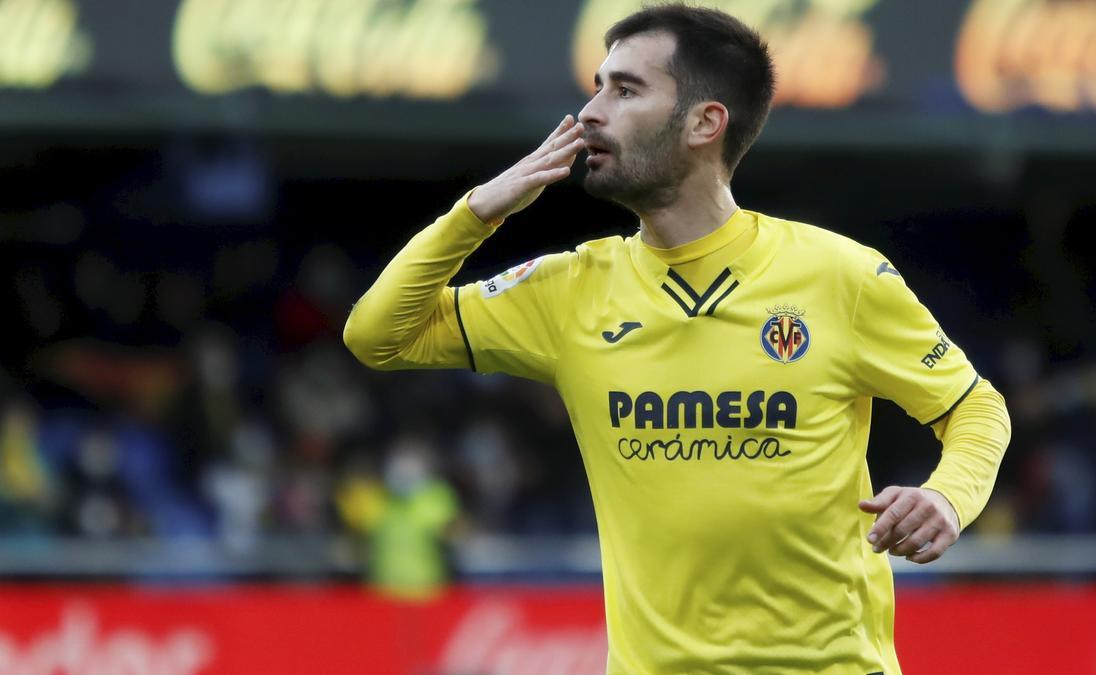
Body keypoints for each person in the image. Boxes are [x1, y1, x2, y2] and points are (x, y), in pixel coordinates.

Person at [344, 5, 1011, 673]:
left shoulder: (840, 276)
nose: (591, 113)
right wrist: (476, 213)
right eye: (598, 85)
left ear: (704, 122)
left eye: (625, 90)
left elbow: (975, 406)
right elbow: (378, 335)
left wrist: (946, 495)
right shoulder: (571, 290)